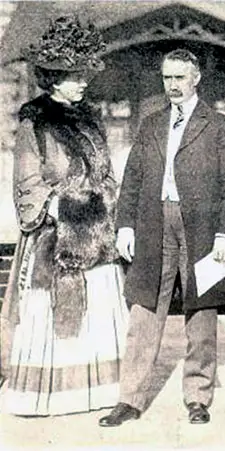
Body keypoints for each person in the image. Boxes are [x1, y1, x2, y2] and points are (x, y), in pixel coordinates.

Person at [98, 49, 225, 427]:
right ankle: (130, 399)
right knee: (143, 308)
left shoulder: (218, 126)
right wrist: (126, 225)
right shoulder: (151, 124)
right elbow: (131, 179)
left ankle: (198, 397)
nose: (173, 86)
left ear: (196, 79)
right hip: (152, 225)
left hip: (201, 228)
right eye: (167, 78)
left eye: (180, 77)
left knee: (201, 312)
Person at [0, 16, 129, 416]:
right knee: (49, 310)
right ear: (55, 78)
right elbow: (26, 179)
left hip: (95, 228)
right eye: (75, 75)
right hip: (54, 232)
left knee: (100, 304)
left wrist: (105, 202)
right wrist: (58, 208)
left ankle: (99, 390)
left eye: (84, 74)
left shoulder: (89, 117)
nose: (84, 82)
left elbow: (105, 172)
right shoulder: (35, 120)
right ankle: (53, 393)